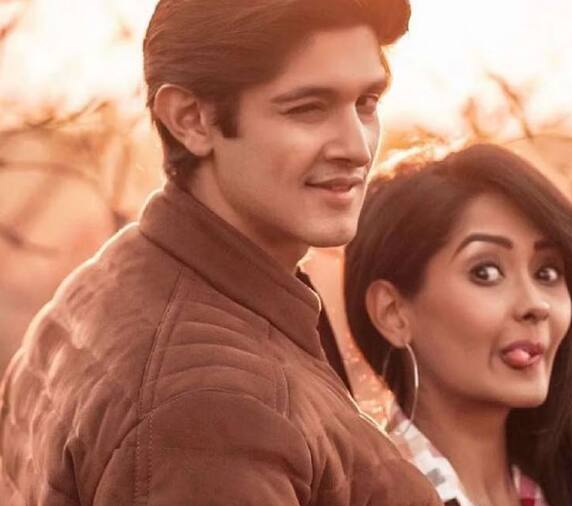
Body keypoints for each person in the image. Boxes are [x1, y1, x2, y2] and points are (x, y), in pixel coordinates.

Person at [0, 1, 443, 504]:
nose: (357, 147)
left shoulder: (124, 273)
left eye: (366, 102)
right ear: (191, 120)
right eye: (307, 109)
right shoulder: (211, 411)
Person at [344, 144, 572, 506]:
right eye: (486, 272)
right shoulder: (366, 495)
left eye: (547, 272)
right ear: (393, 313)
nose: (536, 304)